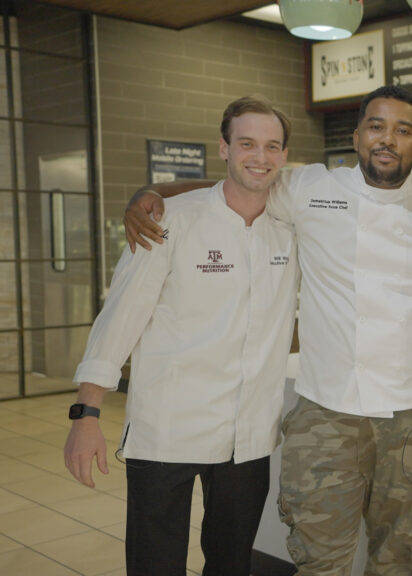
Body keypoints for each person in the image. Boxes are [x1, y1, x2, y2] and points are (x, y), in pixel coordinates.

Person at [123, 86, 412, 576]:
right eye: (377, 127)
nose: (389, 139)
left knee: (394, 557)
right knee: (322, 562)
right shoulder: (309, 188)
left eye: (403, 130)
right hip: (328, 414)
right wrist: (149, 195)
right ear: (358, 136)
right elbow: (233, 188)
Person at [63, 95, 299, 576]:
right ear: (224, 148)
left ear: (285, 156)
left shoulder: (292, 228)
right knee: (156, 564)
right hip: (168, 428)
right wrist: (87, 413)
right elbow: (119, 320)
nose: (260, 156)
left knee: (232, 564)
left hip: (248, 435)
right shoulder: (170, 220)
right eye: (247, 143)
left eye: (272, 146)